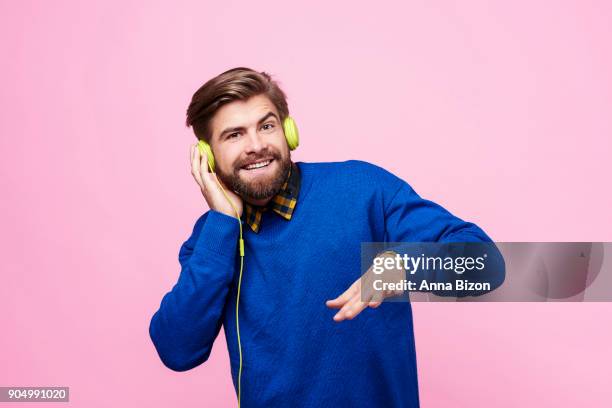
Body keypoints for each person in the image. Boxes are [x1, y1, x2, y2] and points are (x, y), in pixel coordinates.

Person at [148, 67, 504, 407]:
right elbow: (177, 350)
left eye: (266, 126)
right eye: (234, 134)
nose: (256, 145)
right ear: (207, 157)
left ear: (289, 132)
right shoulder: (213, 238)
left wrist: (404, 266)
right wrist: (223, 225)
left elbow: (487, 265)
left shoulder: (363, 190)